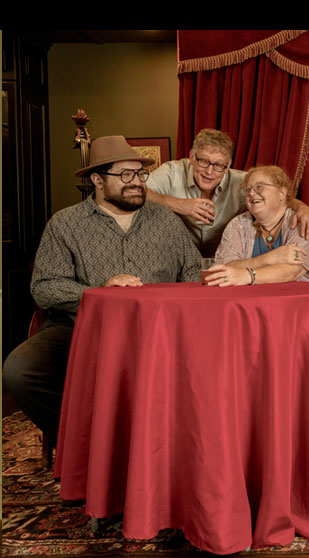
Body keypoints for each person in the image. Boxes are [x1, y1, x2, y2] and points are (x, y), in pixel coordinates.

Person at [2, 135, 201, 447]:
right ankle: (85, 444)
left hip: (157, 330)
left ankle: (166, 448)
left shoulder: (166, 221)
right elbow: (45, 287)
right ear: (97, 180)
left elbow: (193, 273)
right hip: (81, 327)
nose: (137, 183)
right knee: (20, 370)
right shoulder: (65, 224)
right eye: (125, 175)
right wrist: (97, 292)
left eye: (140, 174)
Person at [146, 128, 309, 256]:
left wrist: (303, 208)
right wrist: (178, 204)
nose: (209, 172)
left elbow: (277, 197)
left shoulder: (243, 182)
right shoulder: (171, 172)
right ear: (192, 157)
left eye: (218, 165)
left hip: (223, 259)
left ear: (228, 165)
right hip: (176, 259)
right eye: (204, 161)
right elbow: (139, 190)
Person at [206, 165, 309, 285]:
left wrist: (247, 276)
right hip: (254, 298)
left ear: (281, 193)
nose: (251, 193)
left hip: (304, 297)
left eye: (259, 186)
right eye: (248, 189)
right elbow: (226, 267)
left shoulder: (302, 221)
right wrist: (271, 258)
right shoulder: (238, 224)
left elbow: (293, 271)